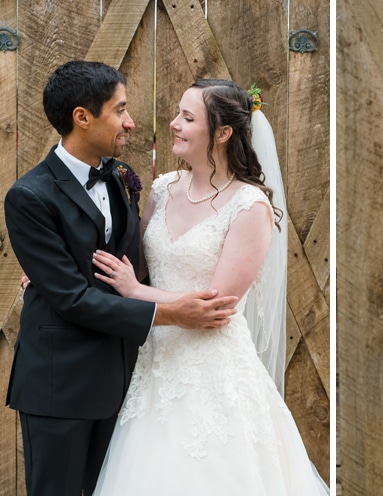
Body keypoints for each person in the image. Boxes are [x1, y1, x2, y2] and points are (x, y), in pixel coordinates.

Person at [4, 61, 240, 496]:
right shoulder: (29, 197)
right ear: (82, 117)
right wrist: (173, 313)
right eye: (120, 110)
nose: (130, 122)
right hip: (60, 386)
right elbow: (73, 298)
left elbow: (131, 263)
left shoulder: (119, 178)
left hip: (126, 384)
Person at [87, 79, 328, 495]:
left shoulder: (249, 206)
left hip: (213, 374)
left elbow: (217, 307)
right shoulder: (163, 189)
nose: (174, 124)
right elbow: (132, 267)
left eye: (188, 117)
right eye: (178, 114)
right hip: (155, 368)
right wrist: (60, 271)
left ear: (222, 133)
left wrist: (136, 293)